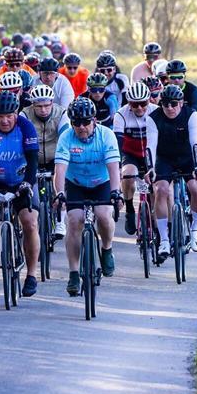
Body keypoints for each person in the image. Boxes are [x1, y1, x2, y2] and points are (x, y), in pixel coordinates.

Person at [53, 98, 122, 296]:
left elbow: (113, 167)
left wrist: (115, 191)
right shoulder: (66, 138)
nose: (81, 127)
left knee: (103, 214)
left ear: (94, 120)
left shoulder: (106, 135)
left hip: (102, 182)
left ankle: (107, 249)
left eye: (85, 122)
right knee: (74, 220)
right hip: (75, 183)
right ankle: (74, 273)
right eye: (76, 123)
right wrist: (59, 193)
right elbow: (60, 169)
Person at [0, 91, 41, 296]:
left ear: (16, 113)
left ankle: (32, 275)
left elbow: (33, 160)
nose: (5, 120)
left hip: (22, 181)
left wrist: (28, 182)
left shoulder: (25, 126)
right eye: (0, 116)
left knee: (30, 222)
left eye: (9, 115)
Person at [145, 85, 197, 259]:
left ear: (181, 102)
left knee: (196, 187)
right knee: (161, 190)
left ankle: (195, 228)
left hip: (187, 158)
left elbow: (195, 143)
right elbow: (150, 146)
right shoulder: (153, 118)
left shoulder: (191, 114)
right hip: (165, 159)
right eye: (165, 104)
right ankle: (164, 239)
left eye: (173, 104)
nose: (169, 108)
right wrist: (150, 168)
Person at [22, 83, 69, 239]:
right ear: (33, 104)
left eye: (47, 105)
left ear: (52, 103)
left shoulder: (61, 113)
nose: (43, 110)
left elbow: (65, 137)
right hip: (32, 157)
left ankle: (61, 219)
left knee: (60, 184)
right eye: (39, 106)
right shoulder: (25, 115)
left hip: (54, 156)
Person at [112, 83, 157, 235]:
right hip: (130, 153)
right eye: (134, 104)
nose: (139, 108)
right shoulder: (121, 114)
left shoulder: (156, 111)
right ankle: (130, 210)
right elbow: (117, 142)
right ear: (128, 103)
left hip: (152, 154)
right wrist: (117, 166)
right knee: (128, 174)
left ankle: (156, 223)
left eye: (143, 103)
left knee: (155, 188)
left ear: (149, 100)